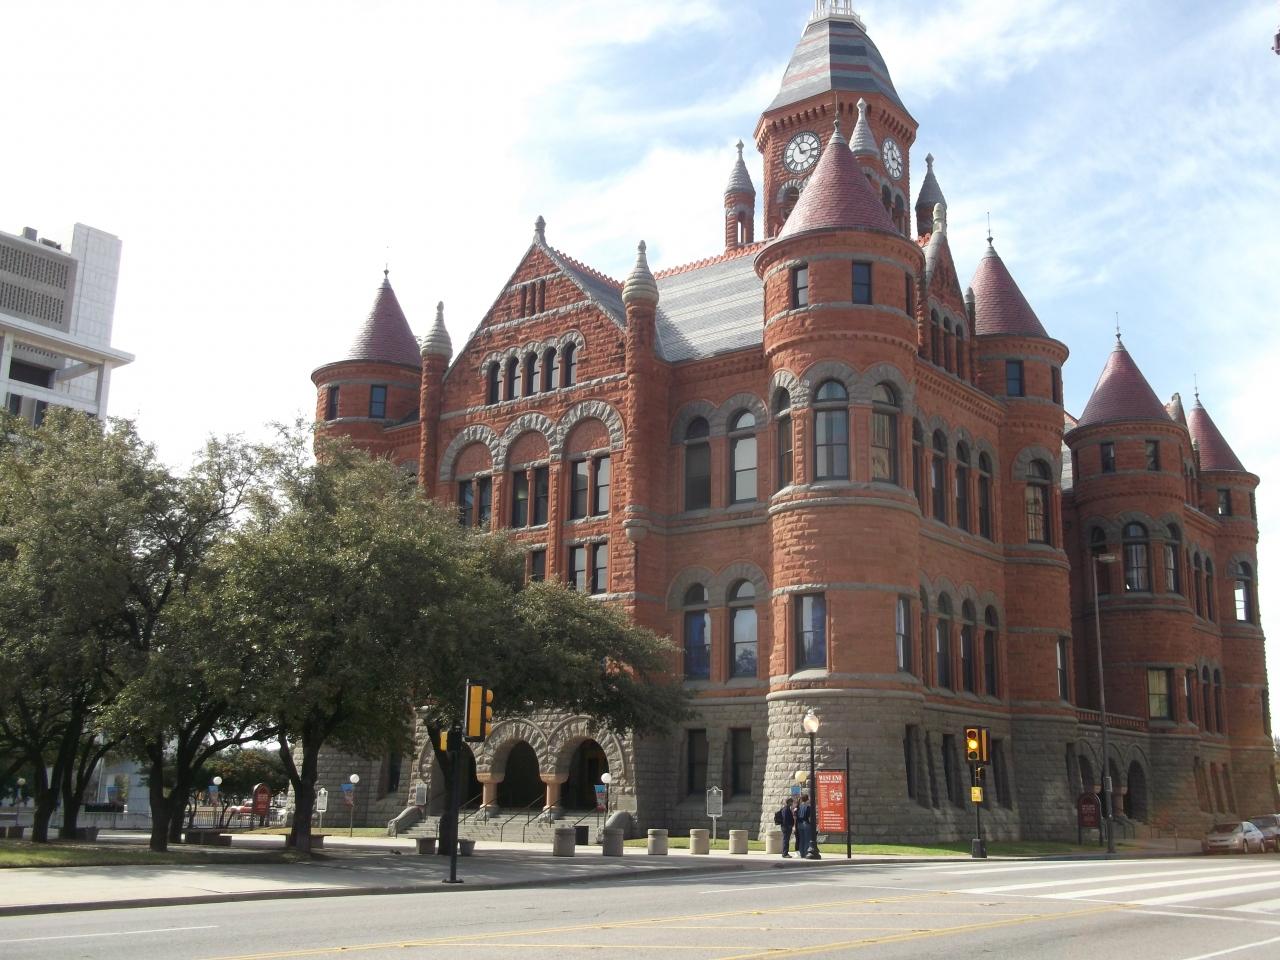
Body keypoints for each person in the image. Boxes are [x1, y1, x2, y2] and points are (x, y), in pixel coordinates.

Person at [795, 792, 814, 858]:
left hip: (799, 824)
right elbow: (809, 817)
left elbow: (796, 815)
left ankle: (802, 853)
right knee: (807, 839)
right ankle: (806, 853)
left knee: (801, 839)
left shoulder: (799, 807)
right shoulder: (808, 807)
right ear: (807, 799)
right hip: (806, 823)